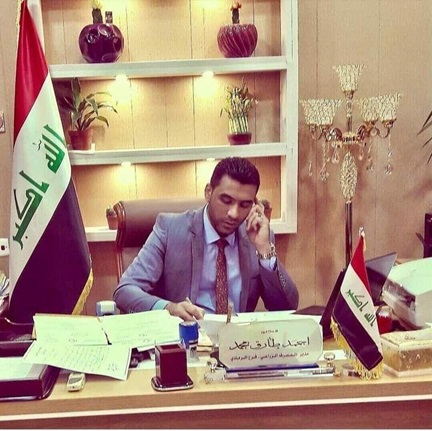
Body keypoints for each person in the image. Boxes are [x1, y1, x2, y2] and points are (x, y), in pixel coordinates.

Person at [113, 157, 299, 321]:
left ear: (254, 205)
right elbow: (125, 291)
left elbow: (286, 306)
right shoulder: (170, 229)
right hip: (187, 338)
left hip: (237, 342)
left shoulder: (257, 237)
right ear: (208, 192)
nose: (234, 214)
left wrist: (265, 250)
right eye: (226, 200)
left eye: (244, 205)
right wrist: (169, 308)